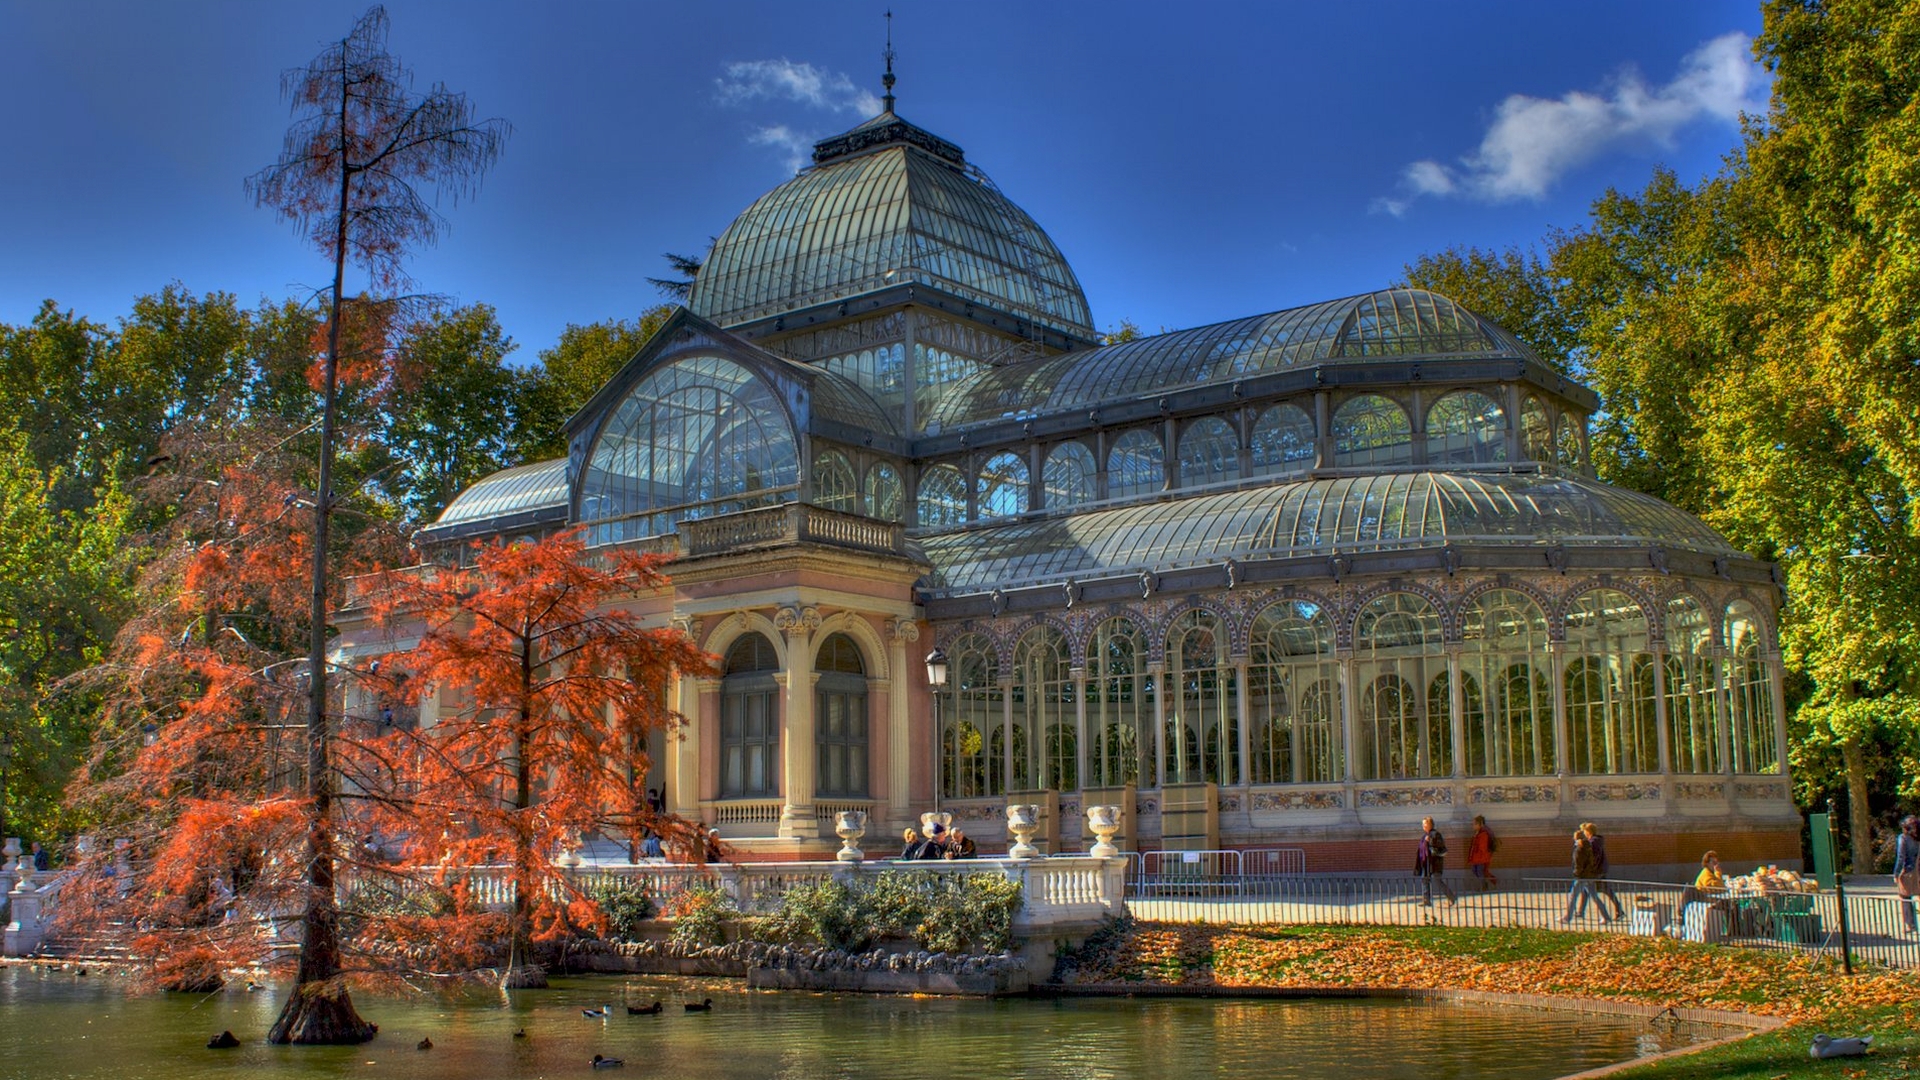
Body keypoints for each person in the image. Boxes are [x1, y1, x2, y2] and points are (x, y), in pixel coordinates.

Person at [1583, 822, 1626, 920]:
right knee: (1597, 891)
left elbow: (1594, 857)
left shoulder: (1593, 843)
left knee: (1591, 891)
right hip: (1601, 870)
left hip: (1596, 871)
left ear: (1588, 831)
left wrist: (1591, 869)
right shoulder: (1597, 841)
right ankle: (1619, 911)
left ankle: (1608, 914)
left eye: (1585, 831)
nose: (1584, 833)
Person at [1413, 817, 1456, 906]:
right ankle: (1426, 900)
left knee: (1437, 880)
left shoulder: (1435, 834)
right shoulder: (1424, 836)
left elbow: (1439, 846)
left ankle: (1451, 897)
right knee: (1425, 880)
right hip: (1425, 863)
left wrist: (1430, 841)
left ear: (1429, 824)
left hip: (1434, 863)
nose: (1423, 825)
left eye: (1424, 823)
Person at [1561, 828, 1601, 922]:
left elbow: (1578, 864)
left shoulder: (1579, 848)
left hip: (1581, 877)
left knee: (1573, 896)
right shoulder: (1588, 846)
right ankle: (1605, 916)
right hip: (1588, 875)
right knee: (1594, 896)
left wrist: (1577, 873)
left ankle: (1567, 917)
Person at [1894, 817, 1919, 934]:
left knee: (1905, 897)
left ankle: (1910, 924)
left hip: (1908, 870)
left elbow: (1901, 856)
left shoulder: (1903, 838)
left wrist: (1896, 872)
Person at [1467, 815, 1497, 891]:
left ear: (1479, 824)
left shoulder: (1483, 834)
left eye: (1474, 824)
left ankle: (1486, 885)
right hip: (1477, 858)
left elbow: (1482, 848)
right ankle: (1486, 884)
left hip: (1481, 858)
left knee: (1481, 872)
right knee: (1476, 870)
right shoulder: (1478, 833)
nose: (1472, 826)